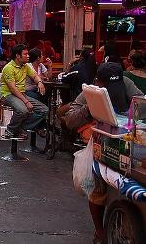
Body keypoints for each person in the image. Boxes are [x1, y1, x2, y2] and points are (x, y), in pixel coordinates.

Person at [59, 62, 144, 244]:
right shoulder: (91, 91)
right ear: (99, 82)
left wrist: (134, 111)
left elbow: (141, 103)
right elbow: (70, 120)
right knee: (97, 188)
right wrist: (91, 107)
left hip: (128, 140)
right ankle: (100, 233)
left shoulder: (127, 83)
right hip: (101, 143)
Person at [0, 44, 48, 139]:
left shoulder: (25, 66)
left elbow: (35, 76)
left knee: (44, 110)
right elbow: (13, 89)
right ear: (18, 56)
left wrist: (39, 82)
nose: (28, 56)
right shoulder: (8, 68)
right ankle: (10, 130)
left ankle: (19, 127)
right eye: (25, 54)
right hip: (8, 95)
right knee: (23, 110)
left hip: (21, 94)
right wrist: (26, 102)